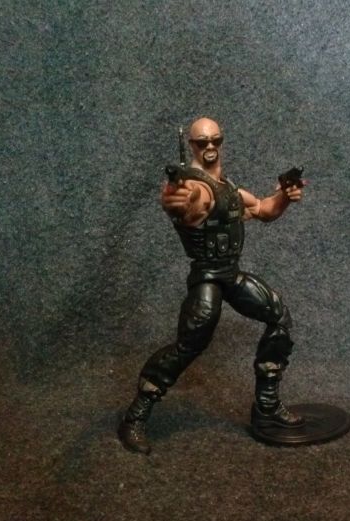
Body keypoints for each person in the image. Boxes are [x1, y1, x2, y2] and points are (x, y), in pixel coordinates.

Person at [118, 117, 305, 454]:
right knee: (190, 344)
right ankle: (135, 415)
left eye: (215, 140)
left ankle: (266, 406)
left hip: (230, 274)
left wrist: (285, 196)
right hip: (207, 278)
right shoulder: (196, 187)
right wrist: (176, 201)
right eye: (202, 142)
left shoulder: (229, 189)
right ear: (191, 145)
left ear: (221, 142)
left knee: (278, 316)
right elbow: (188, 203)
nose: (209, 147)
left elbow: (263, 209)